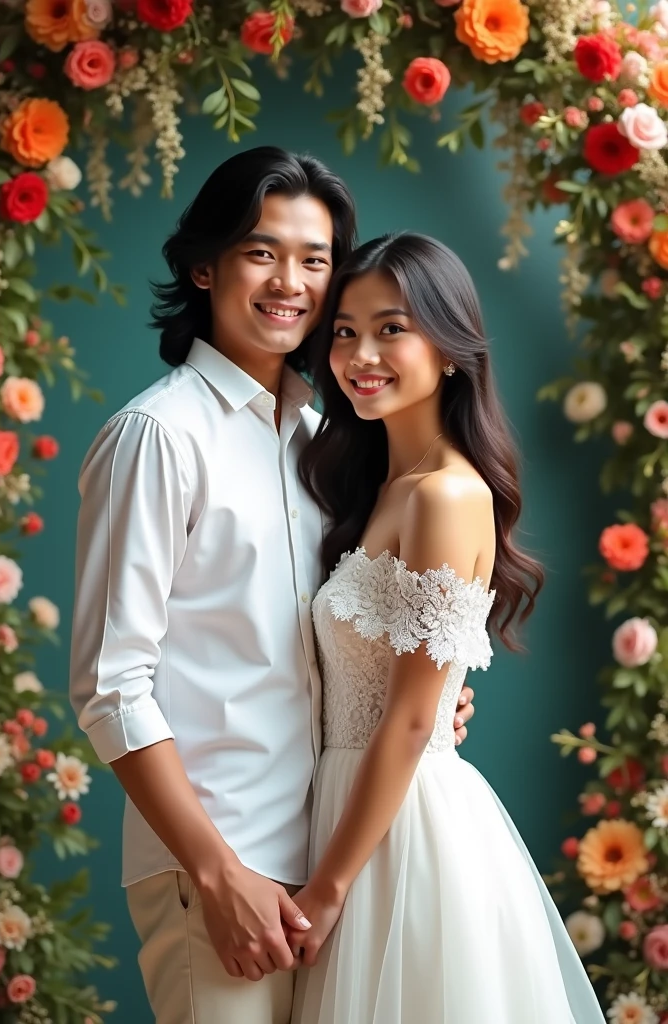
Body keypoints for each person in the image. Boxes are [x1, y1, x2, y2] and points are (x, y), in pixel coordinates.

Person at [68, 148, 475, 1024]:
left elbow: (333, 639)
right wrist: (217, 872)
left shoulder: (325, 440)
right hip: (222, 868)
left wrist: (426, 699)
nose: (289, 282)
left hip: (335, 856)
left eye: (315, 260)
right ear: (203, 265)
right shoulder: (157, 436)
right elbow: (111, 687)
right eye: (262, 252)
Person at [289, 233, 606, 1024]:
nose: (361, 353)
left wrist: (328, 891)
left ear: (452, 348)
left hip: (397, 832)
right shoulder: (384, 487)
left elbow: (413, 714)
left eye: (392, 328)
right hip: (347, 803)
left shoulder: (446, 496)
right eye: (345, 330)